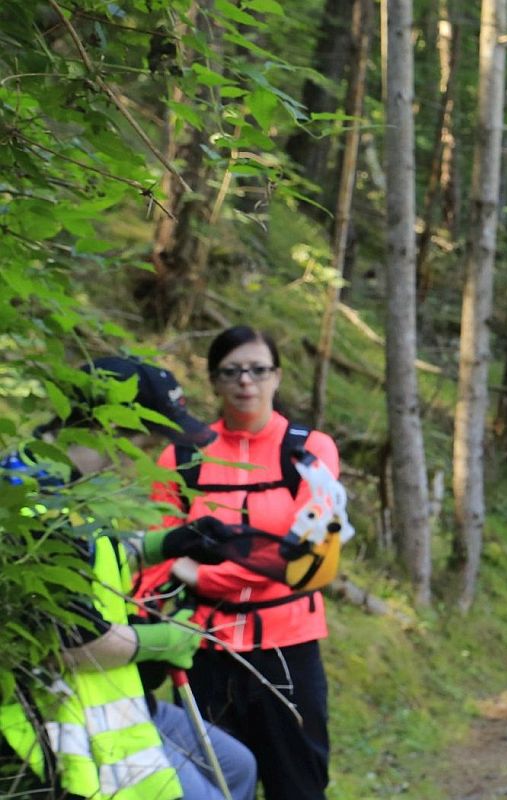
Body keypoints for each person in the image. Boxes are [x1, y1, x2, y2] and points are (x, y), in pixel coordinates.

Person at [1, 356, 258, 800]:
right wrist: (166, 639)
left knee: (237, 767)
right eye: (150, 438)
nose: (150, 454)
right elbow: (76, 645)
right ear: (114, 432)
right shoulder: (33, 502)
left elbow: (95, 558)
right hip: (66, 717)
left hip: (114, 695)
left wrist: (173, 542)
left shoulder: (73, 485)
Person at [136, 327, 340, 800]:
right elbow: (155, 553)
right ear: (214, 381)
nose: (245, 382)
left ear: (277, 376)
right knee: (215, 788)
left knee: (300, 784)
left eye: (257, 370)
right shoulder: (182, 456)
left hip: (288, 649)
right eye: (231, 371)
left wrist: (202, 573)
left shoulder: (310, 450)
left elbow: (309, 559)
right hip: (204, 650)